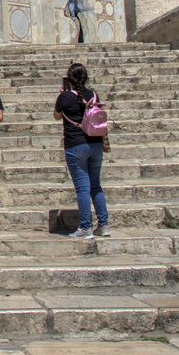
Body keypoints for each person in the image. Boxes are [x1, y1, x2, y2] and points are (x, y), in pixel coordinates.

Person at [55, 62, 109, 238]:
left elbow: (56, 116)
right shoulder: (93, 95)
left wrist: (61, 96)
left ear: (68, 79)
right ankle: (103, 225)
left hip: (76, 144)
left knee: (83, 189)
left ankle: (85, 227)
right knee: (96, 186)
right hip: (96, 143)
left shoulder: (65, 97)